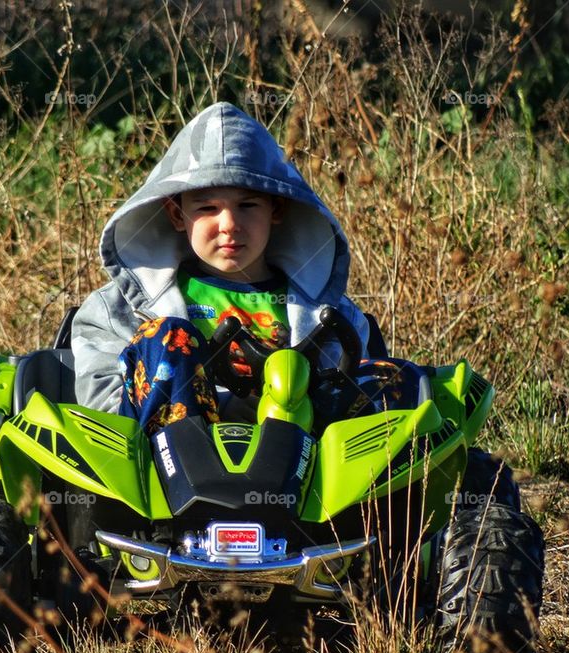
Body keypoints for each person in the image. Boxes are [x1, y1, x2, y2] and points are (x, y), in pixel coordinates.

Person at [72, 102, 419, 436]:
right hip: (169, 467)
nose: (229, 225)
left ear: (277, 209)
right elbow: (101, 399)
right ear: (178, 215)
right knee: (169, 336)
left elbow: (353, 386)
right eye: (207, 208)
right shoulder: (122, 307)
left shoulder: (326, 312)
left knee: (398, 377)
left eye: (248, 205)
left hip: (303, 462)